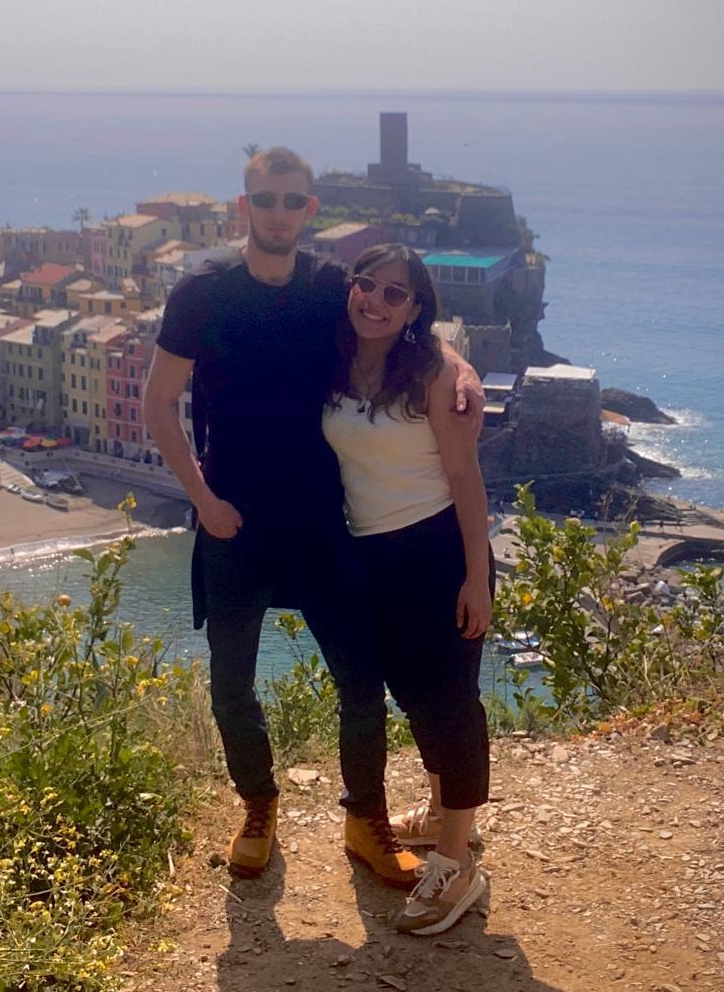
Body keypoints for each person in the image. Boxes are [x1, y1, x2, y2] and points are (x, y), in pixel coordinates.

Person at [144, 148, 481, 883]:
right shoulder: (202, 291)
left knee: (361, 682)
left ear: (309, 210)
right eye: (264, 198)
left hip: (325, 523)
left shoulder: (334, 285)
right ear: (245, 207)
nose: (276, 211)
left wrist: (460, 366)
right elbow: (157, 402)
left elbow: (404, 323)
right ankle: (258, 805)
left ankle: (366, 818)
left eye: (291, 199)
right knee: (230, 683)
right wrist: (201, 500)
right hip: (233, 521)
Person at [316, 242, 493, 935]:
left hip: (437, 549)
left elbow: (465, 478)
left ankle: (456, 862)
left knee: (452, 703)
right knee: (417, 699)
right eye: (367, 285)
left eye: (396, 294)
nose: (376, 301)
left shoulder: (432, 372)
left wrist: (476, 576)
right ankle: (445, 812)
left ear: (417, 309)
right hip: (372, 556)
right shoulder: (336, 359)